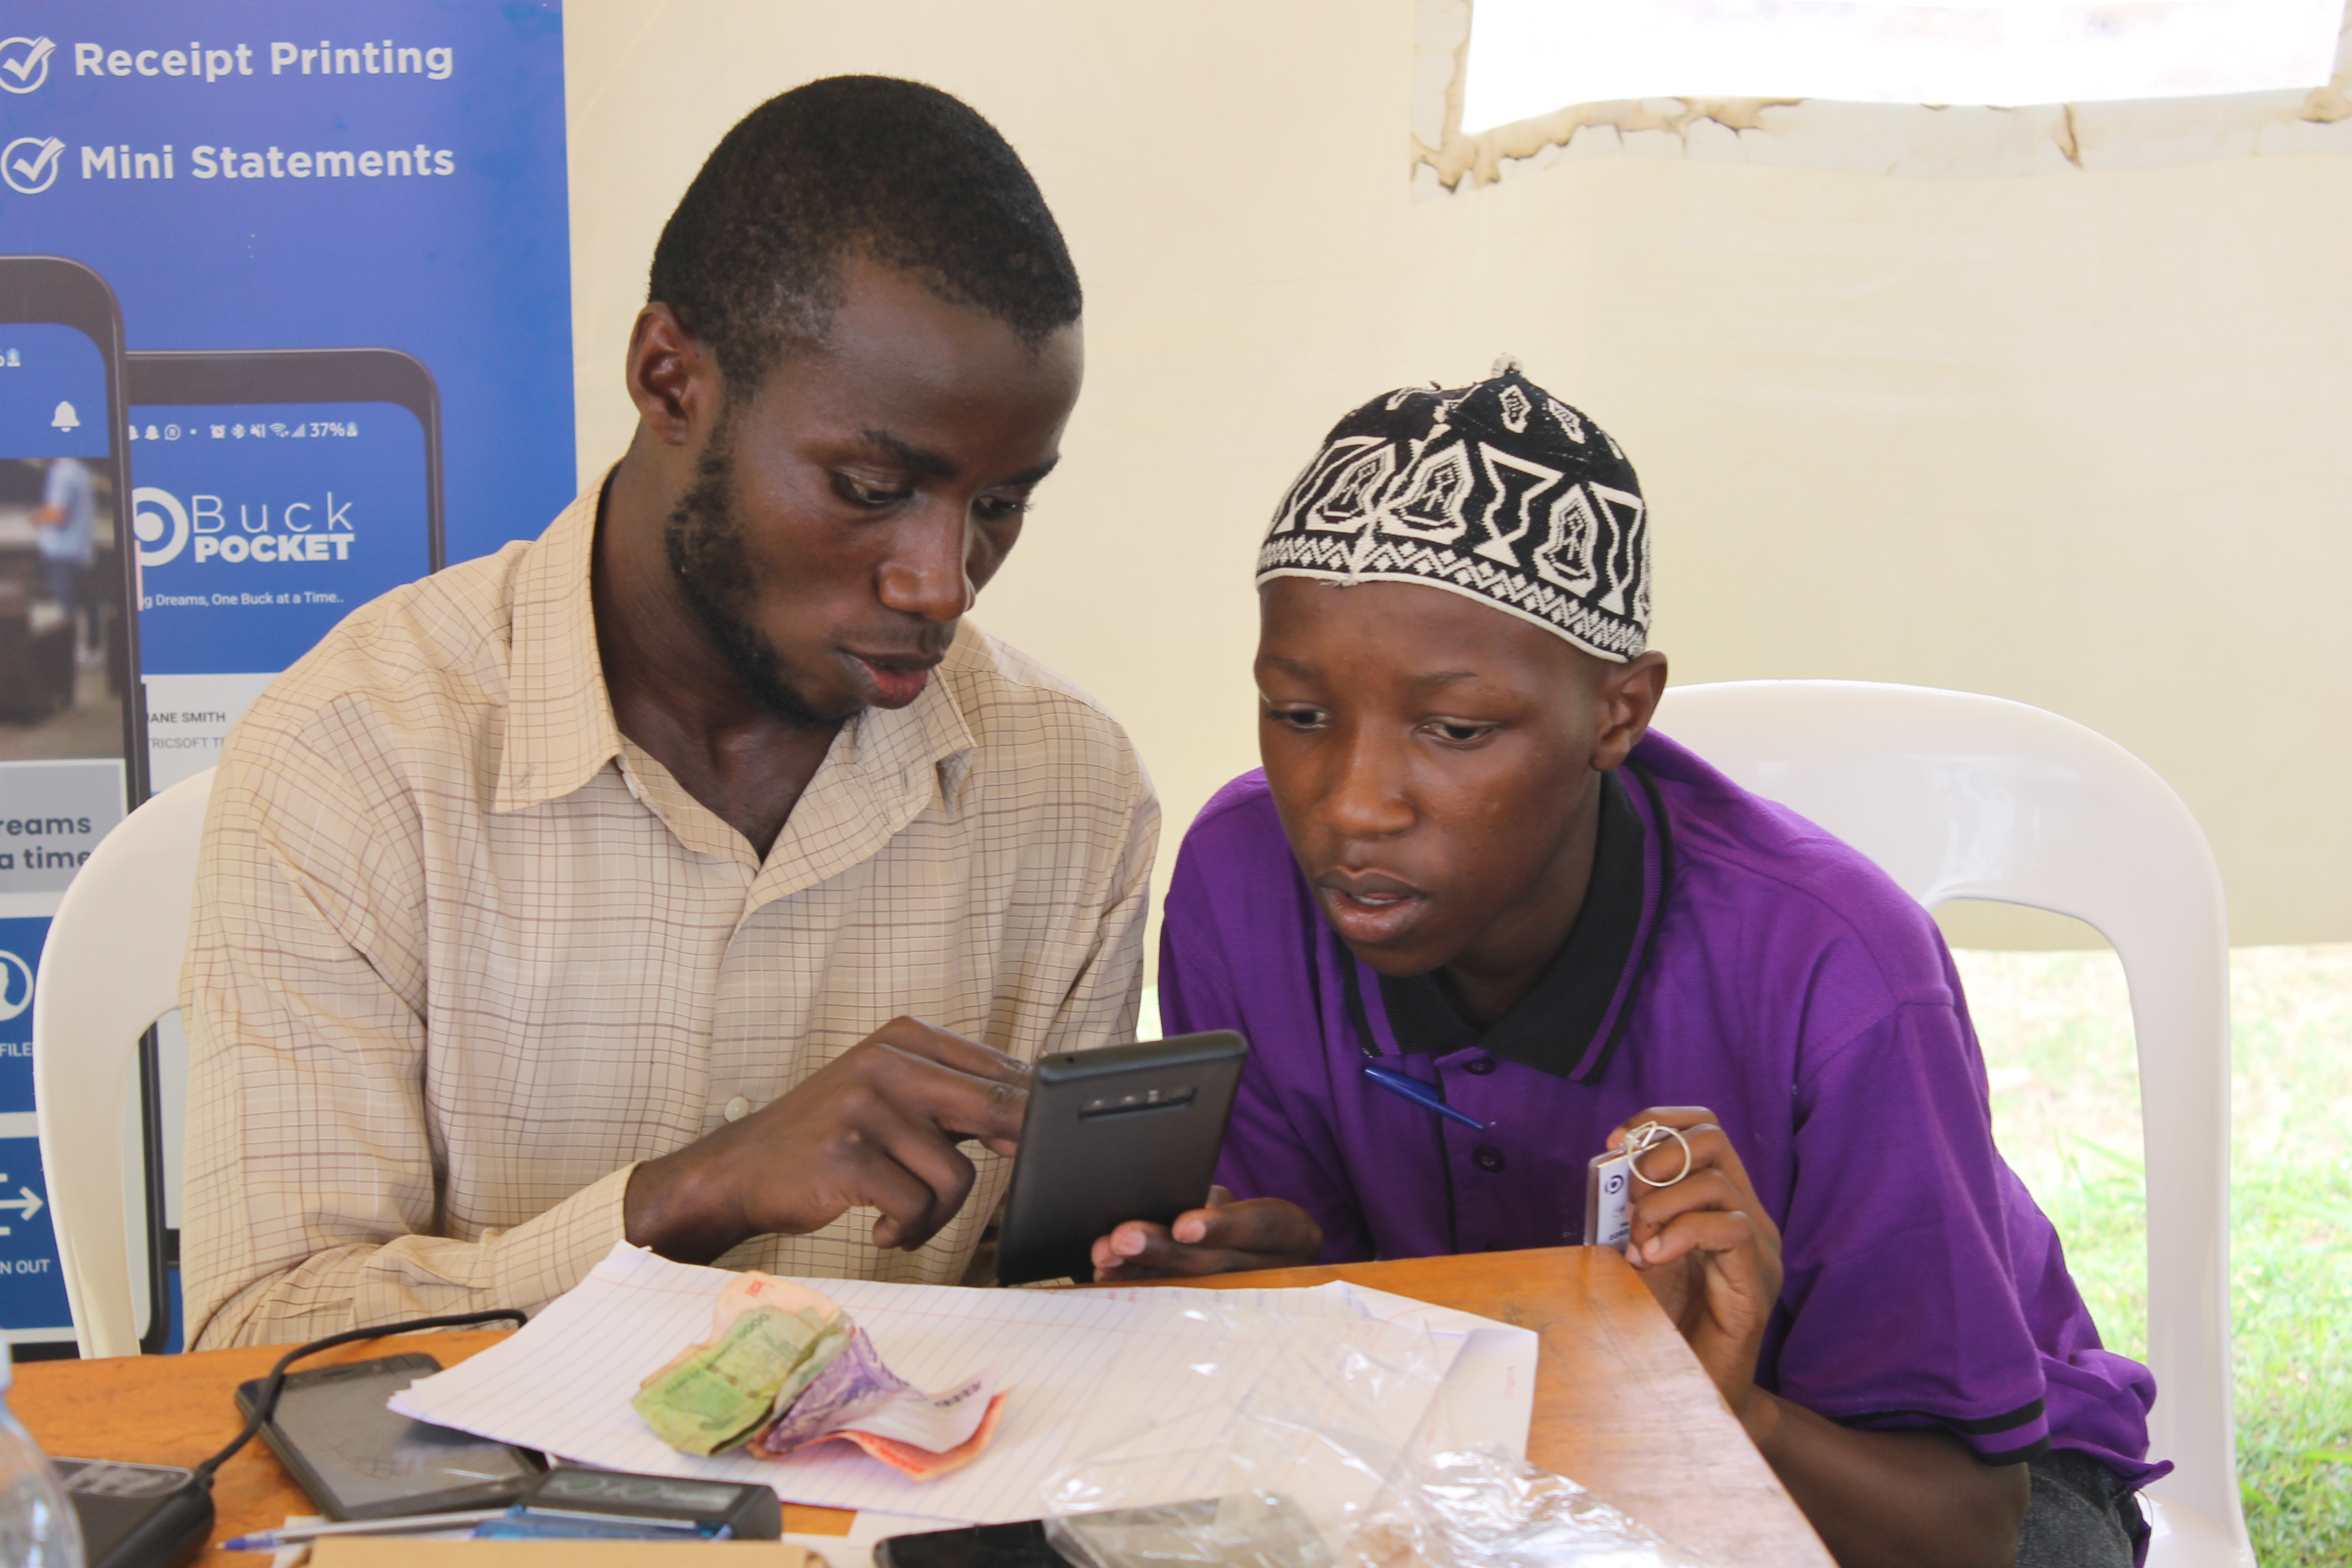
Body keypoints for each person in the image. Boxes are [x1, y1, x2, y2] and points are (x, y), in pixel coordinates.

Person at [1098, 364, 2162, 1567]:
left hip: (1907, 1481)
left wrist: (1724, 1408)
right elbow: (1352, 1372)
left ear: (1619, 710)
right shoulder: (1245, 880)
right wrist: (1269, 1286)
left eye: (1453, 729)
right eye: (1299, 714)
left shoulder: (1839, 967)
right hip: (1495, 1455)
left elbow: (1963, 1527)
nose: (1351, 805)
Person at [183, 77, 1156, 1350]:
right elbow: (257, 1339)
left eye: (1000, 504)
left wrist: (1161, 1287)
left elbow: (1043, 1336)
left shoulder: (1070, 788)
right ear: (669, 378)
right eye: (872, 485)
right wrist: (684, 1197)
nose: (940, 581)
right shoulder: (356, 759)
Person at [30, 457, 96, 659]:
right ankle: (93, 649)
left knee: (65, 609)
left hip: (62, 552)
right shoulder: (81, 472)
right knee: (87, 603)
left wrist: (35, 517)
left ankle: (66, 658)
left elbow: (57, 515)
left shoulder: (61, 474)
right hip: (80, 550)